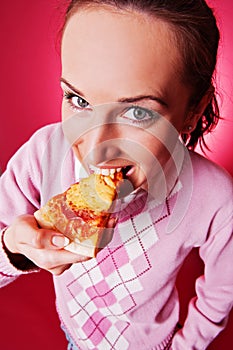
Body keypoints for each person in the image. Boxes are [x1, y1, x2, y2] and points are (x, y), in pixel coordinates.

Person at [0, 0, 232, 349]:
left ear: (193, 110)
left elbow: (222, 291)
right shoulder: (42, 157)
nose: (95, 145)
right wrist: (14, 250)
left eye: (137, 112)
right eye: (79, 100)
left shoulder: (215, 198)